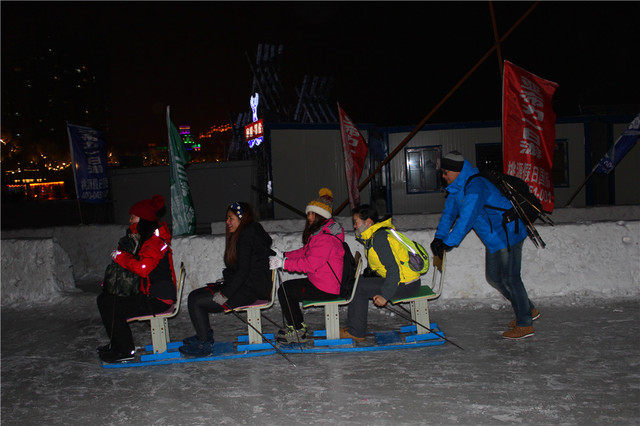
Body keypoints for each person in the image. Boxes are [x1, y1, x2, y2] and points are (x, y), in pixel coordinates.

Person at [430, 151, 539, 339]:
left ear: (457, 171)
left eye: (446, 172)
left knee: (511, 279)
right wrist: (439, 238)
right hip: (493, 238)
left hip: (508, 234)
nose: (444, 176)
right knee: (494, 278)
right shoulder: (456, 188)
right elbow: (449, 214)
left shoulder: (476, 186)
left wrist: (448, 242)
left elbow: (467, 218)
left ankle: (525, 324)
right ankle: (527, 309)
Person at [179, 202, 273, 357]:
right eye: (227, 218)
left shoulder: (247, 235)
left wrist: (224, 295)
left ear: (241, 218)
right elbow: (241, 269)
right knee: (195, 296)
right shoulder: (247, 232)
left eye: (231, 218)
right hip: (244, 286)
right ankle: (204, 335)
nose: (227, 222)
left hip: (249, 290)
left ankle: (204, 343)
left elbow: (243, 272)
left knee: (196, 301)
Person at [97, 194, 176, 363]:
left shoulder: (154, 241)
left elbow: (142, 269)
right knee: (105, 299)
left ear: (143, 218)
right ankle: (117, 345)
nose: (130, 220)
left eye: (133, 217)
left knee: (112, 305)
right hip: (151, 294)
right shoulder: (147, 238)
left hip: (158, 299)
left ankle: (124, 350)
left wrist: (121, 257)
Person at [269, 188, 345, 344]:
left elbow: (310, 264)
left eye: (312, 213)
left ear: (321, 215)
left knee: (286, 291)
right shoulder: (323, 231)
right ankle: (296, 326)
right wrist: (284, 255)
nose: (308, 216)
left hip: (325, 287)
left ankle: (297, 330)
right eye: (308, 213)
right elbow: (306, 251)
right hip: (323, 281)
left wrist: (284, 263)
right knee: (286, 289)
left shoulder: (325, 238)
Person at [340, 205, 422, 342]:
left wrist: (385, 295)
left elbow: (393, 269)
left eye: (356, 222)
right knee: (359, 283)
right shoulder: (375, 235)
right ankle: (354, 326)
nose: (354, 226)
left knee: (359, 287)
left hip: (406, 284)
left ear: (368, 222)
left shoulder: (379, 238)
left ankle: (356, 332)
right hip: (402, 281)